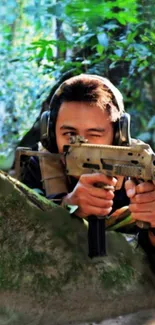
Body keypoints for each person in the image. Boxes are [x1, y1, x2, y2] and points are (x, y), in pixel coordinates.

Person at [21, 74, 155, 262]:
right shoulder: (40, 164)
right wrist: (69, 207)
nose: (81, 144)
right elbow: (21, 237)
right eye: (69, 133)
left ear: (119, 136)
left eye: (94, 134)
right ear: (51, 134)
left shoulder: (139, 166)